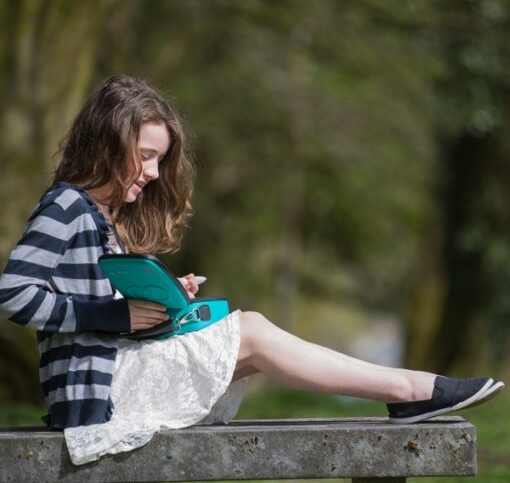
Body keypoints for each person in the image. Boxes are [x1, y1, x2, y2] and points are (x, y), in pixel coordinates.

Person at [0, 75, 504, 465]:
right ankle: (412, 390)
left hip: (110, 378)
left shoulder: (102, 217)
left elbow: (97, 307)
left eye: (159, 159)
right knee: (254, 331)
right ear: (109, 143)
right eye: (147, 156)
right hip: (94, 396)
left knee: (247, 334)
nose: (153, 173)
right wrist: (116, 317)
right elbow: (14, 294)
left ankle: (409, 391)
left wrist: (162, 301)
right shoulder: (66, 204)